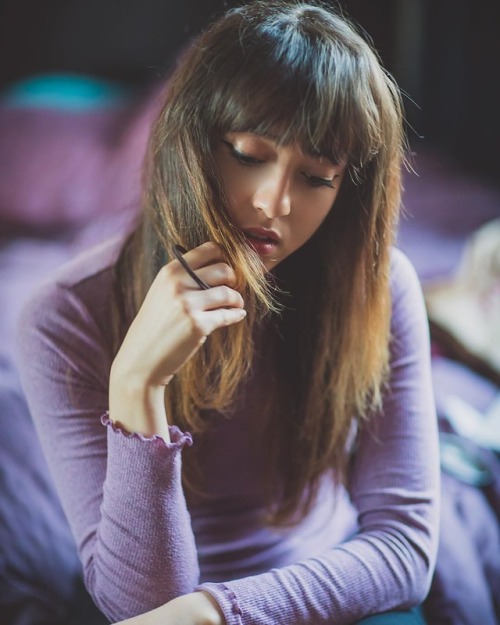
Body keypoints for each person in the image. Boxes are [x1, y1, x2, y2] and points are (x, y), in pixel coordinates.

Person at [17, 1, 440, 624]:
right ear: (193, 142)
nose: (275, 203)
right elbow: (143, 607)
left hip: (327, 590)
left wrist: (220, 611)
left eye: (317, 177)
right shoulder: (63, 318)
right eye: (248, 154)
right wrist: (138, 385)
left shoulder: (379, 286)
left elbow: (405, 549)